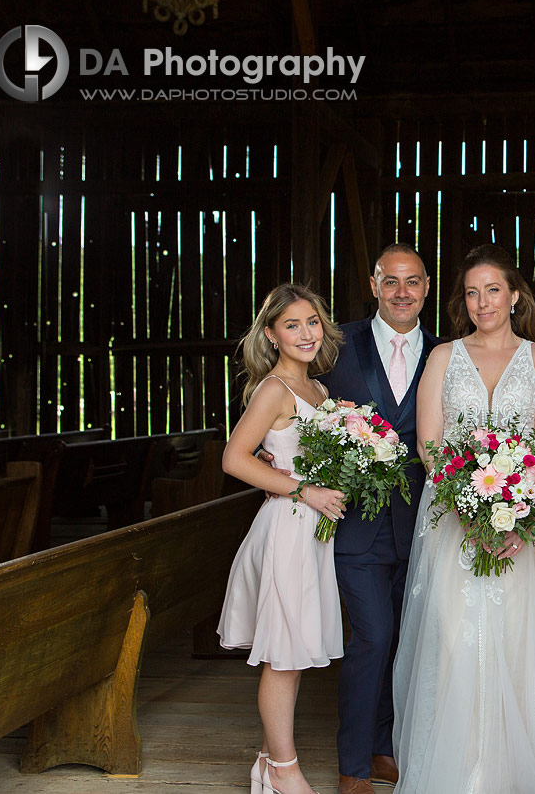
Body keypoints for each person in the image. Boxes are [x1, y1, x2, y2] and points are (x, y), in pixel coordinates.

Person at [392, 244, 535, 794]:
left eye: (493, 290)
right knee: (453, 642)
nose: (482, 302)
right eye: (472, 292)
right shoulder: (443, 356)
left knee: (515, 646)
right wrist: (470, 512)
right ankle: (455, 773)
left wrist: (515, 516)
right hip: (452, 526)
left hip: (523, 530)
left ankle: (510, 776)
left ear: (514, 295)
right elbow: (429, 446)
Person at [217, 283, 348, 794]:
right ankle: (284, 769)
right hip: (288, 530)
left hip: (312, 533)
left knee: (294, 651)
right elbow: (234, 459)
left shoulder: (318, 389)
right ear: (271, 334)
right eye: (292, 325)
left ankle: (267, 763)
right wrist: (306, 490)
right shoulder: (275, 388)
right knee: (283, 654)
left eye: (312, 322)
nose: (306, 333)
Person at [318, 244, 438, 794]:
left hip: (423, 526)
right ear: (373, 284)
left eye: (412, 282)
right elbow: (292, 395)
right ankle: (353, 766)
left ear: (427, 287)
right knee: (372, 636)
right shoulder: (336, 346)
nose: (401, 292)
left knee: (404, 637)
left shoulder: (444, 354)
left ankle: (384, 746)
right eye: (391, 281)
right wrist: (277, 449)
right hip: (356, 526)